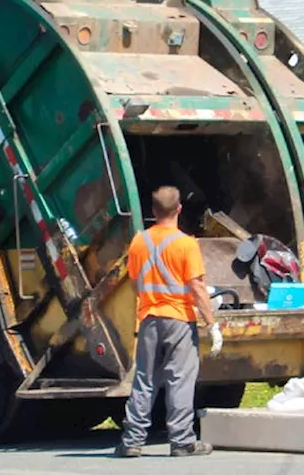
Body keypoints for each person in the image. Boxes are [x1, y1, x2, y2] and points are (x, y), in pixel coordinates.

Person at [114, 185, 221, 458]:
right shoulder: (186, 244)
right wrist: (212, 324)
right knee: (180, 379)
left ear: (152, 211)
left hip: (149, 319)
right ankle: (182, 441)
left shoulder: (139, 242)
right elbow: (196, 287)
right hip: (179, 321)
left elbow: (136, 282)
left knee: (145, 380)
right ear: (179, 210)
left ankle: (132, 441)